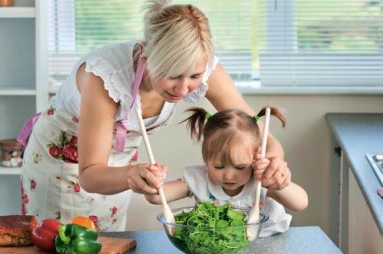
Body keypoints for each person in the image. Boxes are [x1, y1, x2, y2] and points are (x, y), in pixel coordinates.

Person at [18, 0, 290, 232]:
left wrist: (275, 166)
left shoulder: (204, 66)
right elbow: (89, 175)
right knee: (64, 245)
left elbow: (262, 136)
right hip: (63, 164)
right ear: (147, 55)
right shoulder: (105, 77)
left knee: (107, 244)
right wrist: (131, 174)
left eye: (194, 76)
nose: (183, 89)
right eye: (172, 75)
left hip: (122, 166)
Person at [145, 107, 308, 236]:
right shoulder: (199, 179)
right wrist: (153, 181)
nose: (229, 175)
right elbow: (156, 197)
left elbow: (301, 203)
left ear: (257, 156)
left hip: (267, 243)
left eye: (240, 167)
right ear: (206, 158)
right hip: (216, 247)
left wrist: (280, 184)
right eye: (218, 166)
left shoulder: (261, 178)